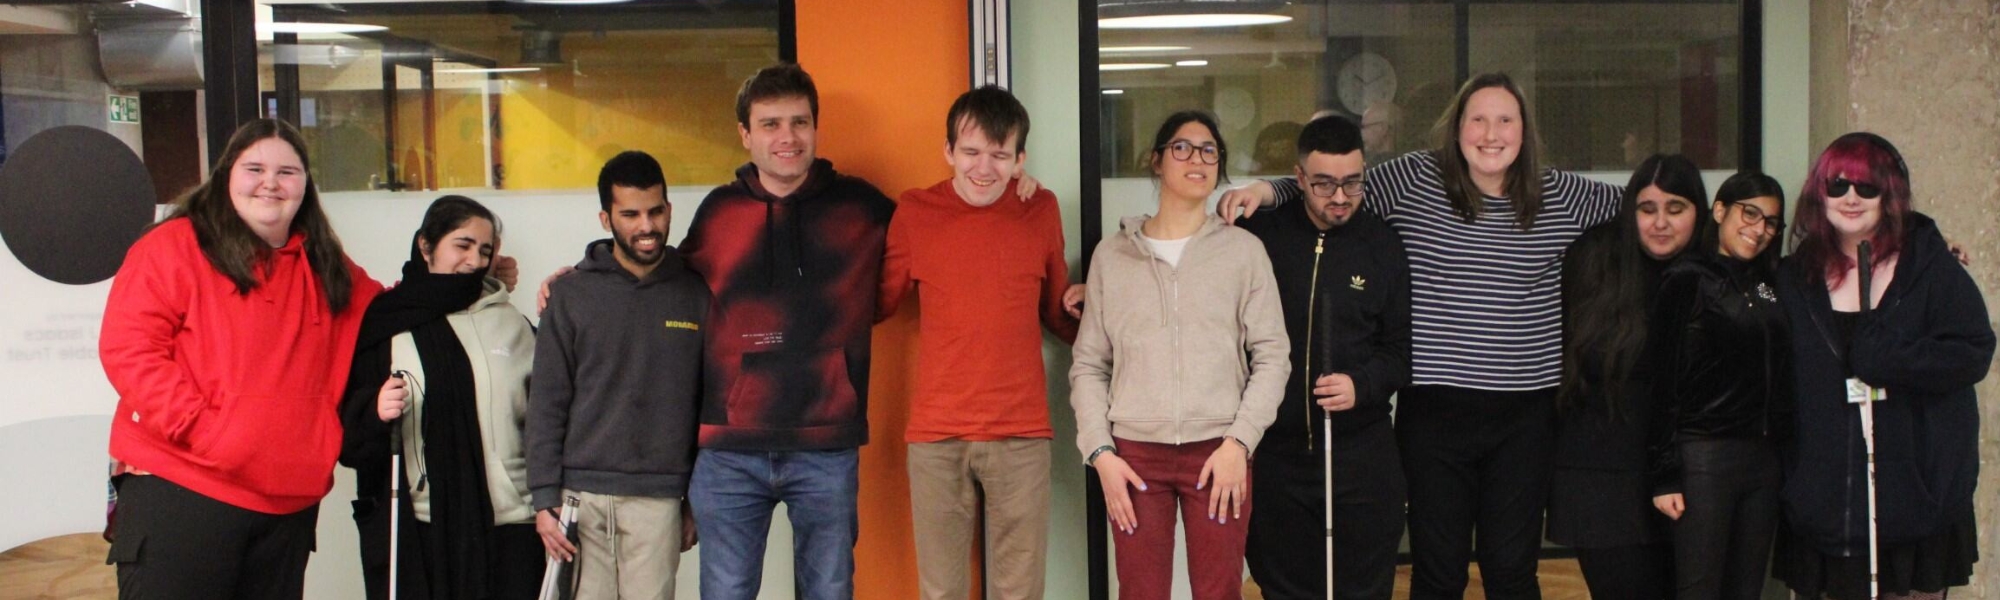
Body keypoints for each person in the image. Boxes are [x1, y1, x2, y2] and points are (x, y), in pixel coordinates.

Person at [1217, 72, 1622, 599]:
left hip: (1527, 415)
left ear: (1525, 131)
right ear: (1457, 127)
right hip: (1435, 412)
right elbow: (1334, 183)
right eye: (1478, 119)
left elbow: (1646, 212)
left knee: (1513, 568)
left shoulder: (1561, 194)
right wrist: (1266, 190)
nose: (1491, 133)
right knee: (1438, 569)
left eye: (1505, 120)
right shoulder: (1414, 179)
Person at [98, 118, 386, 599]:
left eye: (287, 172)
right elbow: (130, 348)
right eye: (255, 168)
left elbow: (389, 311)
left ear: (305, 185)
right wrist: (207, 432)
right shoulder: (173, 246)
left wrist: (472, 276)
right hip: (182, 487)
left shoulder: (326, 265)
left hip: (285, 504)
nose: (271, 183)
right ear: (226, 173)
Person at [678, 63, 895, 600]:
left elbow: (940, 233)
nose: (787, 137)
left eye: (799, 122)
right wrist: (586, 270)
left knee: (828, 592)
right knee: (725, 593)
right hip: (729, 451)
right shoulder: (719, 212)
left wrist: (1010, 188)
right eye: (771, 124)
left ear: (816, 128)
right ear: (746, 134)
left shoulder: (863, 208)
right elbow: (660, 284)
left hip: (825, 446)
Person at [1070, 110, 1290, 600]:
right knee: (1141, 593)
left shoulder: (1244, 252)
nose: (1198, 158)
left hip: (1220, 453)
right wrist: (1100, 452)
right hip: (1134, 458)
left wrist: (1241, 442)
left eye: (1210, 150)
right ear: (1157, 160)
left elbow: (1273, 356)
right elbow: (1088, 365)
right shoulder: (1113, 256)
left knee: (1218, 591)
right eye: (1183, 148)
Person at [876, 84, 1080, 600]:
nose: (983, 168)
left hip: (1022, 430)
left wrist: (1118, 326)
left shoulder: (1040, 208)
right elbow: (877, 303)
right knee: (941, 591)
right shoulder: (915, 211)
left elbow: (1058, 313)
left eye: (999, 154)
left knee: (1020, 590)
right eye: (970, 152)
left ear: (1020, 158)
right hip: (936, 434)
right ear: (948, 152)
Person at [1772, 133, 1993, 600]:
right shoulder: (1792, 277)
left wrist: (1892, 359)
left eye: (1867, 186)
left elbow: (1972, 351)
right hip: (1824, 501)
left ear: (1889, 193)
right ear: (1819, 192)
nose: (1851, 197)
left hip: (1912, 500)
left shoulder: (1929, 269)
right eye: (1838, 185)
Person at [1234, 115, 1410, 600]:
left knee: (1364, 590)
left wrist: (1364, 385)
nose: (1339, 197)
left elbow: (1400, 352)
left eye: (1352, 182)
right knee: (1284, 588)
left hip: (1362, 456)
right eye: (1324, 184)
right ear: (1298, 179)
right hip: (1275, 458)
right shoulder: (1258, 237)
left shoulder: (1384, 244)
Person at [339, 195, 542, 600]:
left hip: (512, 524)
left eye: (485, 251)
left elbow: (547, 422)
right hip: (422, 531)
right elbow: (347, 437)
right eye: (462, 245)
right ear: (426, 246)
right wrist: (376, 412)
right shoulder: (386, 323)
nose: (473, 260)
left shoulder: (514, 326)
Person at [528, 151, 707, 600]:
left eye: (655, 211)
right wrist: (543, 498)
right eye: (630, 214)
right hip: (577, 500)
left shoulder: (696, 294)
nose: (646, 226)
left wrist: (696, 501)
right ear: (606, 219)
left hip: (659, 498)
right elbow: (547, 401)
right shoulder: (569, 296)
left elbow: (710, 401)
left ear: (669, 209)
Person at [1545, 154, 1710, 600]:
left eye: (1675, 209)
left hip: (1684, 478)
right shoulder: (1595, 260)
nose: (1660, 222)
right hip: (1599, 477)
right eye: (1646, 208)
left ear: (1699, 212)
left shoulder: (1713, 276)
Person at [1646, 172, 1790, 600]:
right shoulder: (1687, 278)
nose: (1760, 228)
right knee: (1699, 589)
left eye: (1771, 222)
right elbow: (1661, 381)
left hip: (1763, 461)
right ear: (1721, 210)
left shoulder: (1768, 283)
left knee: (1746, 592)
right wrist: (1664, 476)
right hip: (1704, 458)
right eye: (1750, 213)